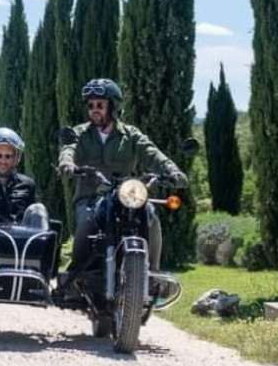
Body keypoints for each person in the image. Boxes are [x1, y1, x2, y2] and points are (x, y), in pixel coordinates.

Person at [57, 78, 187, 286]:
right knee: (86, 221)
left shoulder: (131, 135)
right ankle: (77, 273)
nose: (94, 110)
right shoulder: (80, 133)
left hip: (125, 194)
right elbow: (68, 150)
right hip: (91, 196)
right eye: (91, 105)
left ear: (113, 106)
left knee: (150, 214)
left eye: (100, 105)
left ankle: (153, 274)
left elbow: (152, 153)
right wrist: (67, 164)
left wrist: (172, 171)